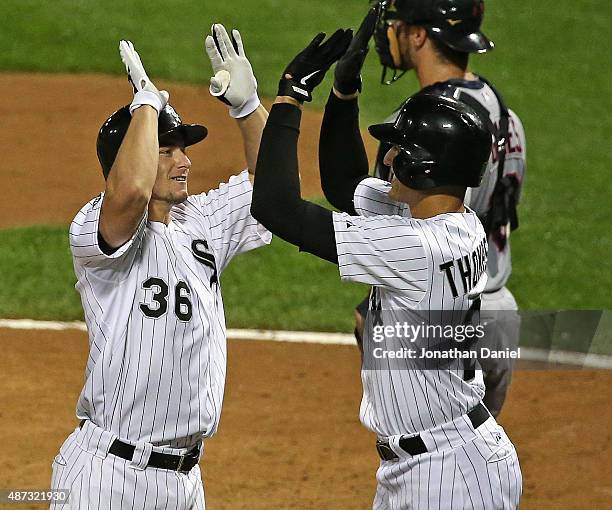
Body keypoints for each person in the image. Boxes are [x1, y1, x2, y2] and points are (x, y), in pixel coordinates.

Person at [251, 28, 522, 509]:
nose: (390, 158)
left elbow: (276, 207)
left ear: (424, 166)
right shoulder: (453, 223)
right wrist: (343, 93)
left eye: (399, 148)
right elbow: (344, 185)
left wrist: (291, 97)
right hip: (438, 462)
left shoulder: (416, 247)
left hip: (449, 476)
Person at [50, 25, 270, 509]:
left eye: (183, 149)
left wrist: (248, 107)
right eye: (166, 150)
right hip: (109, 479)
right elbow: (128, 193)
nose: (183, 161)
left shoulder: (203, 221)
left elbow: (271, 184)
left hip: (185, 484)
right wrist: (145, 104)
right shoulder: (96, 229)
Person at [320, 0, 527, 417]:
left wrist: (371, 315)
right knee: (472, 454)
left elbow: (409, 225)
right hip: (497, 310)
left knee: (424, 454)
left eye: (398, 24)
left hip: (440, 315)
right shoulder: (506, 115)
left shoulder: (424, 130)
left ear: (419, 36)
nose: (390, 31)